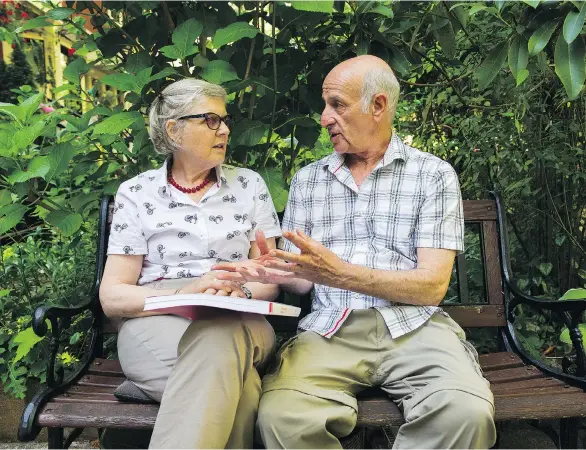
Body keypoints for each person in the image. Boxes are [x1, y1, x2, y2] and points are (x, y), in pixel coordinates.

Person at [214, 55, 497, 449]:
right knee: (283, 417)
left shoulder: (433, 174)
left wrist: (339, 272)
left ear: (378, 106)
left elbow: (431, 286)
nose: (324, 117)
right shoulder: (308, 181)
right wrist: (274, 274)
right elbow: (299, 279)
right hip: (331, 329)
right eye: (325, 105)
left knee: (464, 414)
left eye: (337, 105)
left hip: (415, 327)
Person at [99, 78, 281, 449]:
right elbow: (114, 298)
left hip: (239, 313)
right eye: (211, 120)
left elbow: (269, 277)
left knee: (219, 333)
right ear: (174, 129)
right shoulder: (137, 194)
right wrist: (185, 293)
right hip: (156, 320)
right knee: (242, 391)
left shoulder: (249, 185)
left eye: (225, 120)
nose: (225, 129)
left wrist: (239, 287)